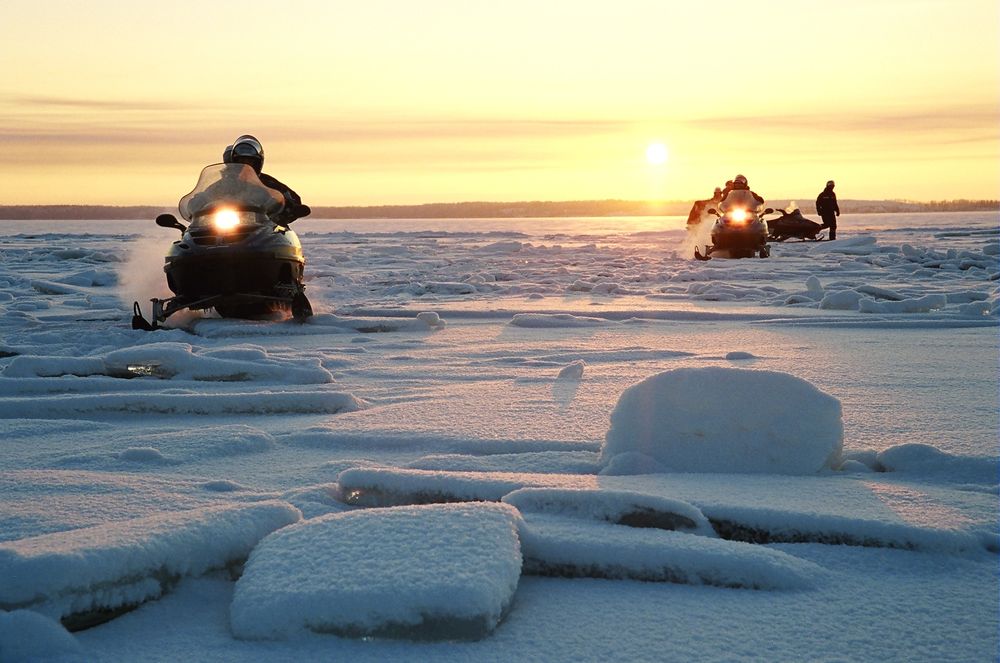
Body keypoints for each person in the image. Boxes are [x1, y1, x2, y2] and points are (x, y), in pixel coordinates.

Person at [223, 135, 311, 225]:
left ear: (258, 163)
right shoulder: (221, 185)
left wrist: (291, 208)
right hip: (227, 229)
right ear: (234, 162)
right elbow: (207, 199)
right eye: (241, 161)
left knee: (281, 236)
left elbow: (292, 198)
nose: (246, 165)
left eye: (250, 161)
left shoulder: (268, 183)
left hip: (264, 229)